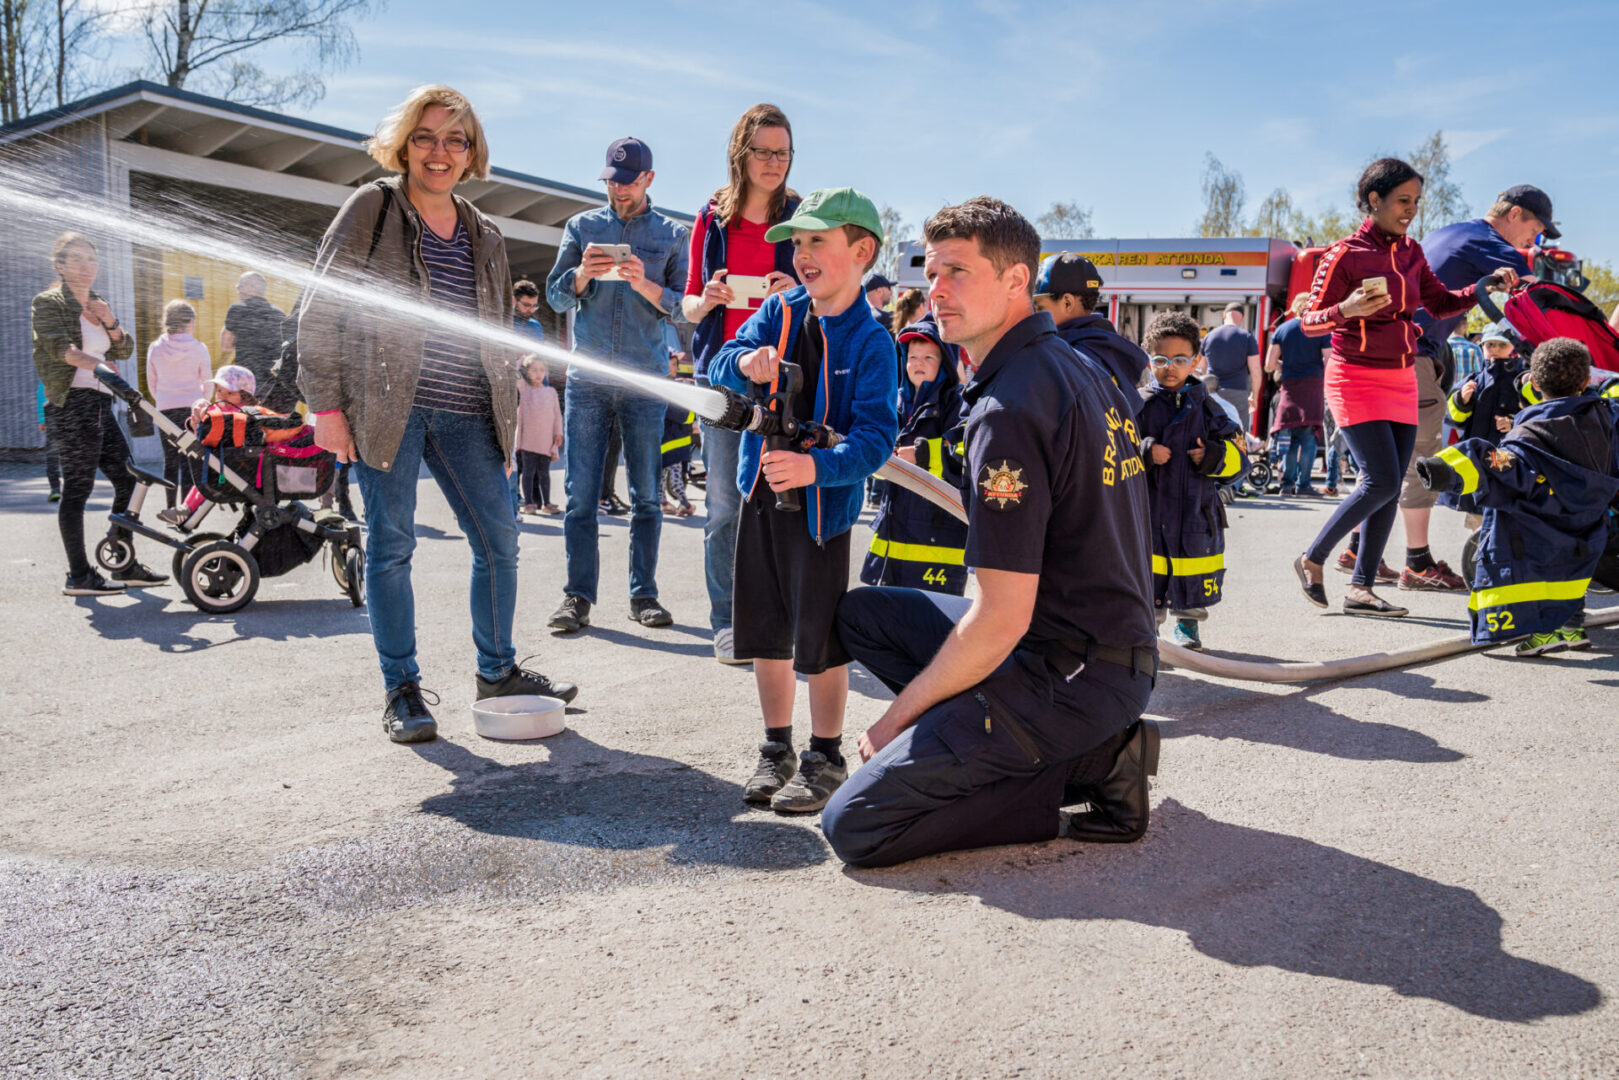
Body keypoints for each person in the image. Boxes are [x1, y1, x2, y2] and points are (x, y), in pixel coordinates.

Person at [822, 196, 1159, 869]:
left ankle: (1091, 769)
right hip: (1093, 648)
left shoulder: (1011, 406)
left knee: (856, 825)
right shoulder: (1072, 362)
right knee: (865, 615)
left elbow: (998, 617)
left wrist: (896, 723)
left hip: (1067, 670)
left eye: (957, 273)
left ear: (1015, 282)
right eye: (932, 274)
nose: (934, 293)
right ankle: (1022, 745)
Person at [300, 84, 577, 744]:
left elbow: (497, 335)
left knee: (500, 542)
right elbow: (321, 306)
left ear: (471, 151)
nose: (439, 152)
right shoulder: (373, 206)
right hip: (386, 410)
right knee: (392, 548)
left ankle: (497, 671)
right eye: (425, 137)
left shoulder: (484, 232)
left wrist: (506, 425)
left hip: (466, 413)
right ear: (404, 144)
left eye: (455, 139)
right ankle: (401, 689)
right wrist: (325, 407)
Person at [708, 187, 898, 815]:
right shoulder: (780, 310)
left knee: (819, 641)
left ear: (862, 250)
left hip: (820, 513)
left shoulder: (872, 344)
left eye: (819, 240)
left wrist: (815, 466)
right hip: (761, 496)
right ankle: (776, 748)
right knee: (765, 630)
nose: (804, 253)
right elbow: (720, 366)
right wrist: (748, 363)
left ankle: (825, 756)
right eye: (798, 241)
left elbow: (875, 441)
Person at [1292, 158, 1519, 617]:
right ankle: (1312, 558)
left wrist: (1483, 285)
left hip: (1400, 377)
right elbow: (1308, 322)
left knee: (1392, 484)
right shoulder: (1343, 254)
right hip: (1354, 375)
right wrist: (1347, 309)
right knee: (1379, 480)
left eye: (1416, 201)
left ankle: (1361, 589)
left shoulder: (1412, 251)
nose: (1411, 209)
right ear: (1374, 200)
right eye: (1402, 200)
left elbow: (1438, 303)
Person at [545, 136, 690, 633]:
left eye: (627, 182)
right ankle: (576, 597)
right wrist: (583, 275)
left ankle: (643, 595)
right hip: (587, 378)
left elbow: (682, 307)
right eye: (611, 181)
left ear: (649, 179)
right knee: (581, 494)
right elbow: (556, 297)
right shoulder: (582, 226)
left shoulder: (673, 233)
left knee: (647, 495)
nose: (618, 190)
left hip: (644, 378)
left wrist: (642, 281)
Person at [681, 104, 801, 664]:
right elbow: (687, 303)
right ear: (740, 154)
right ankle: (726, 620)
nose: (773, 162)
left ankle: (774, 615)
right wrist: (707, 300)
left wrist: (794, 287)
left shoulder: (802, 216)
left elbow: (824, 296)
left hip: (781, 382)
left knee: (780, 501)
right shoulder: (712, 218)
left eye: (782, 152)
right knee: (725, 504)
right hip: (722, 379)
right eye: (763, 151)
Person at [1415, 338, 1618, 656]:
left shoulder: (1527, 437)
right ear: (1585, 381)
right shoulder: (1606, 419)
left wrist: (1442, 469)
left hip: (1544, 536)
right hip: (1597, 527)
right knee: (1574, 565)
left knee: (1543, 564)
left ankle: (1552, 632)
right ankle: (1571, 628)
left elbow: (1496, 466)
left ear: (1534, 383)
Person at [1400, 187, 1546, 589]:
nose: (1531, 242)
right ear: (1514, 214)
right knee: (1420, 458)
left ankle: (1359, 549)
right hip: (1416, 356)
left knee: (1389, 461)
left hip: (1398, 349)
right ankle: (1418, 563)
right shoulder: (1490, 243)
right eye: (1533, 231)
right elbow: (1537, 296)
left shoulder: (1451, 232)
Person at [33, 231, 168, 596]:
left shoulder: (97, 302)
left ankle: (121, 561)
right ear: (59, 265)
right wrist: (104, 369)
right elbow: (64, 350)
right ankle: (79, 576)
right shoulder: (48, 302)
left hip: (99, 403)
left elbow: (123, 349)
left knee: (128, 479)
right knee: (77, 489)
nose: (86, 266)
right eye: (75, 259)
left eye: (91, 259)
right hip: (71, 404)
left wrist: (109, 320)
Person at [1138, 311, 1247, 650]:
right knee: (1147, 574)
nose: (1169, 367)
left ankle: (1188, 626)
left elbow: (1240, 460)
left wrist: (1215, 456)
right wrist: (1144, 450)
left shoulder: (1214, 410)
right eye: (1160, 359)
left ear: (1197, 361)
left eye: (1180, 359)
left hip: (1195, 513)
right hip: (1148, 512)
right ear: (1147, 359)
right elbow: (1112, 449)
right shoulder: (1135, 406)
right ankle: (1146, 630)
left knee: (1192, 572)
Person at [860, 314, 968, 594]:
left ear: (944, 362)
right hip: (891, 540)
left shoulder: (957, 404)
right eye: (912, 357)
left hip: (937, 546)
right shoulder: (894, 402)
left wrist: (921, 456)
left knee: (930, 628)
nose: (917, 364)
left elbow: (965, 453)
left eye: (928, 358)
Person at [1032, 252, 1151, 410]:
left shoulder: (1070, 358)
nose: (1034, 314)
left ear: (1067, 302)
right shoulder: (1108, 349)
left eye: (1039, 307)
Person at [1443, 324, 1526, 529]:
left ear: (1511, 348)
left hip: (1507, 454)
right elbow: (1454, 418)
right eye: (1490, 345)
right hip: (1478, 455)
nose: (1495, 350)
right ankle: (1477, 552)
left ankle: (1498, 548)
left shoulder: (1521, 379)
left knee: (1504, 504)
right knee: (1477, 508)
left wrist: (1514, 422)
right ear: (1481, 347)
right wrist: (1462, 400)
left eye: (1501, 345)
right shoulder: (1474, 379)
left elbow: (1536, 413)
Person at [145, 299, 213, 510]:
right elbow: (207, 382)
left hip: (165, 409)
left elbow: (152, 382)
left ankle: (168, 506)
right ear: (190, 321)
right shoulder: (199, 348)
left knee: (170, 460)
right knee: (188, 460)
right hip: (191, 409)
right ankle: (186, 509)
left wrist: (163, 399)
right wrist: (202, 404)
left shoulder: (155, 348)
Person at [1265, 294, 1328, 496]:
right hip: (1313, 387)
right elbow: (1329, 360)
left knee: (1290, 437)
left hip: (1289, 387)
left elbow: (1269, 364)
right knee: (1308, 437)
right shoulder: (1320, 330)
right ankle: (1304, 485)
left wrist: (1287, 366)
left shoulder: (1283, 329)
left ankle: (1286, 485)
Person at [221, 271, 286, 391]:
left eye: (240, 285)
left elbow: (226, 345)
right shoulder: (279, 314)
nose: (237, 288)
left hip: (246, 380)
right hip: (274, 382)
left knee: (247, 410)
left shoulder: (237, 309)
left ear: (251, 287)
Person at [1201, 302, 1261, 431]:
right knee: (1238, 436)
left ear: (1224, 316)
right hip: (1237, 393)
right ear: (1242, 318)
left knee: (1212, 432)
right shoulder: (1247, 337)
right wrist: (1254, 396)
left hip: (1212, 393)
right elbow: (1255, 370)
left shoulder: (1208, 336)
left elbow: (1201, 369)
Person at [515, 356, 562, 515]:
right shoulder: (525, 390)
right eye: (534, 370)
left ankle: (546, 503)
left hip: (546, 440)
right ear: (527, 372)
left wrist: (558, 432)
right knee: (528, 472)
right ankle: (529, 503)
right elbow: (515, 374)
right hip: (528, 440)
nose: (538, 374)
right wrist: (521, 360)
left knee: (544, 473)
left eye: (541, 370)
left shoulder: (551, 392)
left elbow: (557, 415)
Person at [37, 381, 62, 502]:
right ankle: (74, 489)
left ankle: (55, 488)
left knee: (52, 454)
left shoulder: (47, 375)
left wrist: (42, 420)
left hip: (51, 411)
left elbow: (41, 396)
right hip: (67, 410)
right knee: (72, 452)